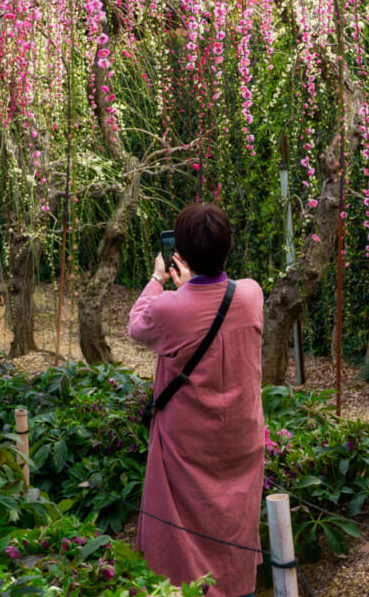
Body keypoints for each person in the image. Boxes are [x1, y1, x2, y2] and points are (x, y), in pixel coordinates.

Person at [128, 203, 264, 597]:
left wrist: (159, 279)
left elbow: (138, 323)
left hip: (185, 446)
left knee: (179, 540)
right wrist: (194, 280)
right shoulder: (251, 295)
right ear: (228, 246)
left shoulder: (171, 308)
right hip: (240, 440)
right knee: (232, 534)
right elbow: (217, 300)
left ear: (179, 254)